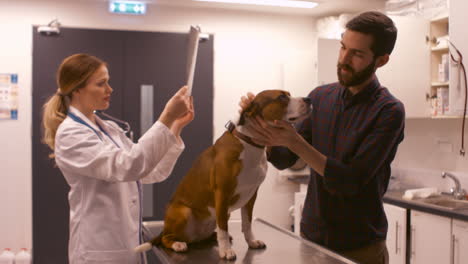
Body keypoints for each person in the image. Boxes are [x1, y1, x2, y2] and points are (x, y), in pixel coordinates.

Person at [240, 11, 404, 264]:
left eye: (357, 54)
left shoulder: (388, 111)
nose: (344, 59)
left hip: (360, 247)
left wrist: (295, 141)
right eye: (342, 48)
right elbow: (285, 157)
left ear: (381, 60)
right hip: (311, 239)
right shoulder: (320, 97)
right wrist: (263, 133)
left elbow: (350, 180)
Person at [42, 53, 194, 264]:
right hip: (99, 251)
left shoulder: (109, 129)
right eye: (101, 84)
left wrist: (175, 127)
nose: (109, 89)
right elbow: (131, 166)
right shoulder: (71, 134)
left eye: (108, 82)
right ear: (77, 89)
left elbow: (151, 172)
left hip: (125, 247)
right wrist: (166, 117)